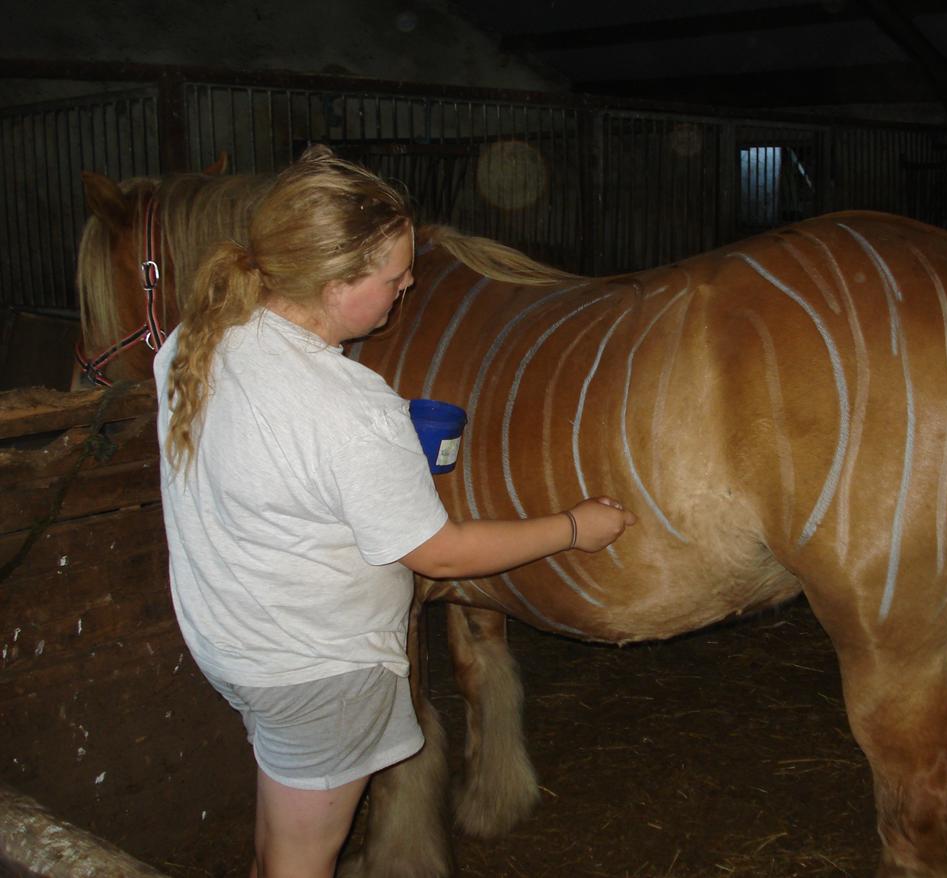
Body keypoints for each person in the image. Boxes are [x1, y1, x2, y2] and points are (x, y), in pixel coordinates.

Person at [153, 145, 636, 878]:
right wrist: (575, 526)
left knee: (277, 844)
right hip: (320, 672)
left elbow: (272, 463)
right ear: (335, 282)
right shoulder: (352, 410)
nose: (410, 285)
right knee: (300, 862)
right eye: (394, 277)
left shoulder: (196, 341)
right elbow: (438, 554)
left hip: (241, 644)